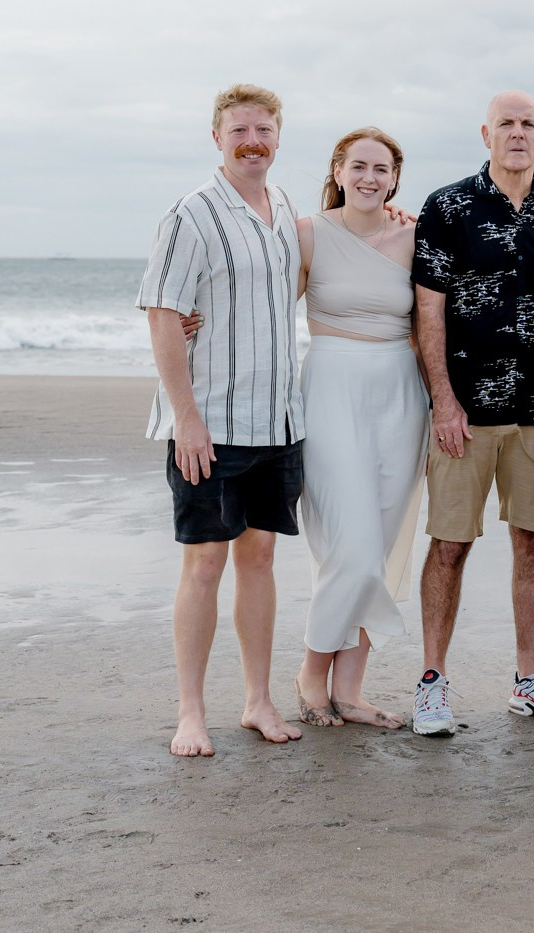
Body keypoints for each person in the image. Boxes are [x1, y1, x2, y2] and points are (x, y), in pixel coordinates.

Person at [408, 91, 534, 736]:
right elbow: (427, 309)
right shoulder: (446, 206)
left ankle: (529, 679)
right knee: (450, 544)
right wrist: (442, 399)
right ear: (486, 134)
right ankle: (432, 682)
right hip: (462, 412)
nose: (517, 134)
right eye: (506, 125)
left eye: (528, 126)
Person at [137, 84, 306, 757]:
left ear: (277, 136)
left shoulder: (284, 206)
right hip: (210, 423)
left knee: (260, 557)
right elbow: (161, 314)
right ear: (217, 137)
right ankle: (190, 712)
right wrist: (186, 419)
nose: (252, 140)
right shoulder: (192, 214)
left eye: (263, 129)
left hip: (278, 420)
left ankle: (258, 699)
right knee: (205, 562)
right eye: (240, 129)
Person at [289, 128, 427, 731]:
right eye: (359, 166)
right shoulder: (307, 232)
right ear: (339, 171)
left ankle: (351, 688)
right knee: (353, 544)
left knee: (384, 540)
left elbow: (435, 322)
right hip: (331, 388)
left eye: (382, 168)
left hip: (400, 394)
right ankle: (311, 671)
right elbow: (267, 309)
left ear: (395, 177)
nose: (370, 177)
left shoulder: (416, 235)